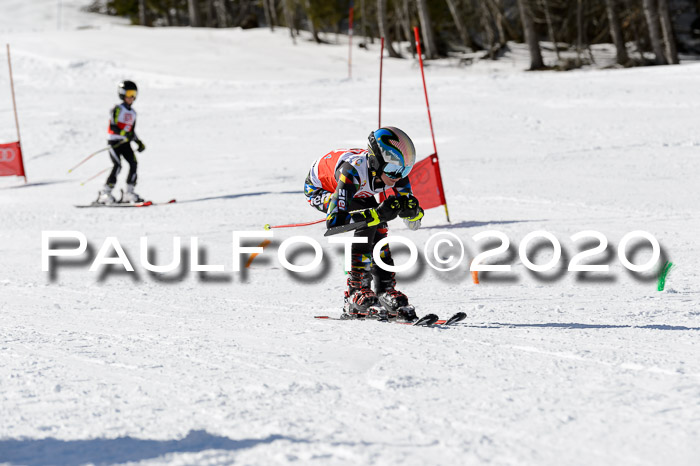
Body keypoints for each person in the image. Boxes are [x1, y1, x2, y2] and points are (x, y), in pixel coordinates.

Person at [304, 126, 425, 321]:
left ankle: (385, 290)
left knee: (379, 223)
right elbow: (335, 222)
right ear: (377, 162)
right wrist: (377, 213)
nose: (398, 176)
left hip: (359, 191)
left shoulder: (396, 173)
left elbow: (414, 223)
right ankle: (355, 291)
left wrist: (412, 212)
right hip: (322, 190)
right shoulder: (351, 173)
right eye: (394, 169)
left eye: (406, 168)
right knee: (370, 221)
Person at [97, 80, 146, 204]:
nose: (132, 97)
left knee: (133, 164)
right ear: (122, 94)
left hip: (125, 143)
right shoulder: (118, 109)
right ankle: (105, 193)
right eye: (129, 93)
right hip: (114, 142)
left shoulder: (133, 113)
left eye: (134, 94)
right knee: (117, 165)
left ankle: (129, 193)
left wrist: (138, 142)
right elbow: (113, 126)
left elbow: (131, 130)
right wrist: (125, 134)